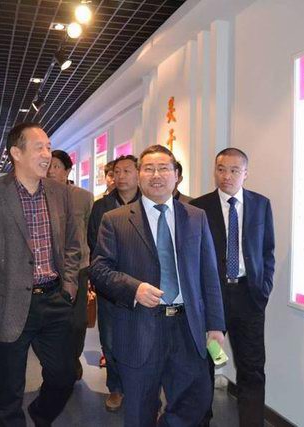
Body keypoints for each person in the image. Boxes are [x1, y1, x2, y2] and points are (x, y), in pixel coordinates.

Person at [89, 144, 226, 427]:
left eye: (164, 168)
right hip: (140, 327)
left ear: (176, 175)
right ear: (139, 176)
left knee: (195, 402)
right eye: (149, 169)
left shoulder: (196, 217)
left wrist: (215, 325)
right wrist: (134, 289)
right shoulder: (115, 220)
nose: (156, 175)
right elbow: (99, 270)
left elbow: (209, 275)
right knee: (140, 410)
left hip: (187, 327)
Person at [0, 122, 81, 426]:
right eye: (39, 148)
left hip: (54, 299)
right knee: (9, 391)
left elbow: (73, 245)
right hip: (9, 304)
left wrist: (69, 286)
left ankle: (41, 414)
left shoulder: (60, 193)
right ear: (16, 153)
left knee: (64, 377)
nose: (47, 154)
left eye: (48, 147)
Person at [190, 148, 275, 427]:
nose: (226, 176)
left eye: (234, 170)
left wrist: (263, 288)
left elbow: (267, 251)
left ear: (245, 173)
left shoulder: (261, 204)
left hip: (248, 295)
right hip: (211, 296)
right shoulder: (198, 208)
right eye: (221, 169)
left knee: (252, 368)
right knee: (203, 363)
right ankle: (201, 420)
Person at [87, 154, 141, 412]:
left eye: (127, 171)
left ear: (138, 173)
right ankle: (116, 388)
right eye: (117, 171)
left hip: (141, 284)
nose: (121, 176)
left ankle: (141, 389)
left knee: (141, 339)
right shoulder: (101, 206)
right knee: (109, 339)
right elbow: (93, 242)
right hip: (109, 284)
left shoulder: (148, 202)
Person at [48, 149, 94, 381]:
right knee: (52, 321)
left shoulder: (83, 197)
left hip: (79, 267)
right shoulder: (39, 195)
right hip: (49, 270)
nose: (51, 171)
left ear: (67, 171)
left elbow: (90, 231)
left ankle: (73, 358)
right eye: (48, 166)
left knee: (78, 321)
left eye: (56, 166)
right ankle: (55, 365)